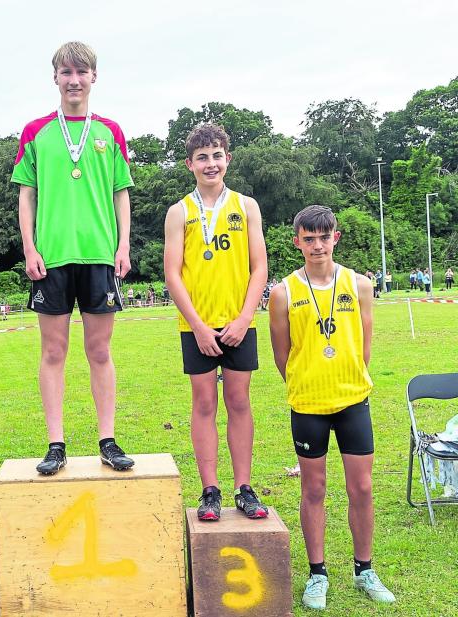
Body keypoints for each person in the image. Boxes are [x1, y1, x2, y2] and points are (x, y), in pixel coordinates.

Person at [13, 41, 134, 475]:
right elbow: (27, 195)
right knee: (53, 351)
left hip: (100, 254)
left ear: (94, 77)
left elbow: (121, 193)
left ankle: (108, 440)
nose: (74, 80)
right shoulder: (36, 131)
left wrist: (123, 245)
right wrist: (29, 246)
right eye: (66, 72)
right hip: (52, 257)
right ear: (56, 78)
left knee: (99, 350)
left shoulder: (110, 131)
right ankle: (56, 444)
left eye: (81, 72)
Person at [268, 205, 395, 610]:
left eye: (324, 237)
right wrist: (306, 382)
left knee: (362, 487)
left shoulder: (359, 285)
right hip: (308, 404)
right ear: (297, 243)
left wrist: (348, 379)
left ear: (335, 238)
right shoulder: (283, 293)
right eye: (309, 239)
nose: (318, 245)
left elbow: (364, 346)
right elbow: (282, 354)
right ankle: (317, 574)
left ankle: (364, 570)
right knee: (314, 489)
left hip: (353, 401)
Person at [164, 123, 269, 521]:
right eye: (202, 158)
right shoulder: (180, 212)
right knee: (204, 403)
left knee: (239, 402)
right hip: (197, 328)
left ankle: (244, 488)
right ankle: (210, 490)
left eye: (217, 156)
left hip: (239, 324)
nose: (211, 164)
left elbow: (259, 267)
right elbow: (173, 274)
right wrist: (198, 326)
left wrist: (245, 318)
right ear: (189, 164)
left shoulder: (247, 206)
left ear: (228, 158)